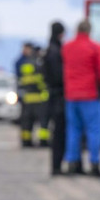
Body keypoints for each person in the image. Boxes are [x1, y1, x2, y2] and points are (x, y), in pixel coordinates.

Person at [61, 20, 100, 176]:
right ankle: (94, 164)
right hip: (90, 95)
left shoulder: (67, 47)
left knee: (73, 130)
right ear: (90, 30)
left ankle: (72, 163)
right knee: (94, 130)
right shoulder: (95, 48)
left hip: (71, 96)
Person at [43, 21, 67, 175]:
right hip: (59, 96)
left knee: (57, 132)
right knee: (59, 133)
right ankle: (56, 166)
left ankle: (57, 165)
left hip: (53, 95)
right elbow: (58, 76)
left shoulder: (50, 49)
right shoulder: (55, 51)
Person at [17, 47, 49, 148]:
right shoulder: (40, 64)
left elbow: (21, 80)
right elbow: (43, 81)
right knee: (43, 122)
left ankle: (26, 141)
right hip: (39, 99)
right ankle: (43, 141)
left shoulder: (25, 64)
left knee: (26, 123)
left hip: (27, 99)